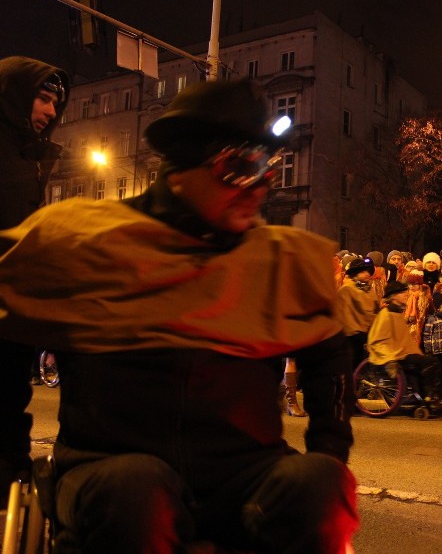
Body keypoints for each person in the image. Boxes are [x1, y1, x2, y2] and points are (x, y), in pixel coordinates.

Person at [0, 79, 358, 553]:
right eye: (242, 167)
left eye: (269, 168)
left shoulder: (279, 261)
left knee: (318, 484)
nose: (260, 187)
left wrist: (329, 450)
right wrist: (11, 465)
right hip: (107, 466)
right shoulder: (84, 240)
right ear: (184, 166)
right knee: (136, 491)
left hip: (245, 473)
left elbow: (328, 352)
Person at [0, 56, 69, 502]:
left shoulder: (28, 154)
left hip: (13, 303)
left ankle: (12, 484)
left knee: (8, 402)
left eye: (54, 102)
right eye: (42, 98)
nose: (49, 111)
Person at [367, 280, 441, 406]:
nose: (405, 294)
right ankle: (427, 397)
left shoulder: (397, 313)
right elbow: (377, 340)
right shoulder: (385, 314)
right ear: (393, 296)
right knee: (428, 363)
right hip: (394, 354)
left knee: (429, 362)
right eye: (401, 293)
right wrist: (390, 358)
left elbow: (404, 339)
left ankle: (425, 397)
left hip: (403, 352)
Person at [334, 255, 381, 371]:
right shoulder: (346, 289)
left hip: (367, 332)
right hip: (352, 335)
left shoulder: (370, 290)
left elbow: (375, 310)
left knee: (362, 363)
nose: (366, 274)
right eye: (362, 271)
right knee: (352, 363)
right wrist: (351, 330)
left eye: (368, 271)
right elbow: (342, 313)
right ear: (355, 274)